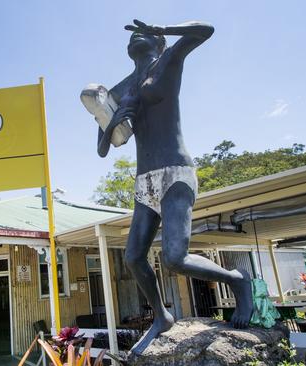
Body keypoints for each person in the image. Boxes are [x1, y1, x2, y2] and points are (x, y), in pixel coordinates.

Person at [94, 19, 253, 354]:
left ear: (160, 41)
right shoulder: (121, 86)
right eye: (135, 34)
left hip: (176, 172)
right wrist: (115, 120)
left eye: (146, 33)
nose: (138, 35)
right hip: (144, 181)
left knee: (174, 258)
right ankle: (162, 317)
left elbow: (206, 30)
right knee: (134, 257)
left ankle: (237, 281)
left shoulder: (168, 60)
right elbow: (103, 148)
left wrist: (161, 27)